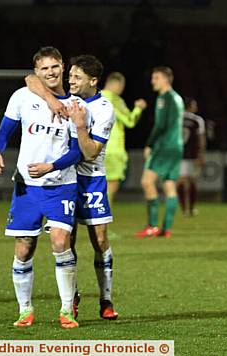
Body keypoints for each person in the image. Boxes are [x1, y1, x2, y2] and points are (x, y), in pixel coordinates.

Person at [0, 46, 85, 328]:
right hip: (27, 186)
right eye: (44, 69)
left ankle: (66, 310)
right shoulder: (23, 96)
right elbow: (3, 132)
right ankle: (25, 310)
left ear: (63, 67)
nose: (50, 72)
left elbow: (76, 153)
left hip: (61, 185)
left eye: (54, 67)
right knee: (23, 249)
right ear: (37, 72)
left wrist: (51, 167)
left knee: (59, 241)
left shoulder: (77, 106)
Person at [25, 54, 119, 320]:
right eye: (71, 76)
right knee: (67, 239)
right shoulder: (68, 98)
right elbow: (31, 79)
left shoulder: (103, 109)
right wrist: (52, 99)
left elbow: (89, 153)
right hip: (65, 179)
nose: (71, 81)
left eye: (77, 77)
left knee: (99, 239)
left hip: (91, 179)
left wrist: (79, 125)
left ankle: (106, 299)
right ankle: (73, 295)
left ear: (93, 80)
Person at [135, 66, 184, 238]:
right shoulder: (178, 98)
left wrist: (149, 143)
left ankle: (152, 226)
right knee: (169, 185)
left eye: (156, 78)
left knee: (147, 182)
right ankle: (167, 228)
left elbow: (161, 125)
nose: (152, 81)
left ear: (165, 79)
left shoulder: (165, 98)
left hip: (164, 146)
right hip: (176, 147)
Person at [101, 72, 147, 207]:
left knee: (97, 185)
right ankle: (103, 218)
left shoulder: (95, 97)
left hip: (97, 148)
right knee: (112, 185)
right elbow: (129, 121)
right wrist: (138, 108)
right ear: (118, 84)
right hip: (114, 150)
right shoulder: (115, 100)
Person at [177, 97, 206, 217]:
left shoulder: (177, 118)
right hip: (192, 155)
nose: (196, 106)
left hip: (178, 155)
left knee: (181, 182)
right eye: (195, 104)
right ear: (191, 106)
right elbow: (201, 139)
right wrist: (201, 154)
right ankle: (191, 208)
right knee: (192, 181)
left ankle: (184, 210)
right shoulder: (197, 120)